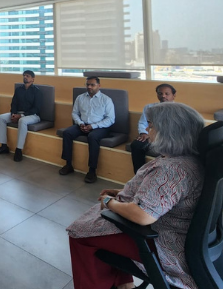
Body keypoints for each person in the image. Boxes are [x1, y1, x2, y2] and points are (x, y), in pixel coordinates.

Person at [66, 103, 205, 289]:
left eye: (151, 125)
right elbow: (161, 195)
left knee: (78, 233)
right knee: (93, 225)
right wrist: (122, 192)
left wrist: (109, 202)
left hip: (159, 242)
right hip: (170, 231)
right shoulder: (184, 160)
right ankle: (124, 284)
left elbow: (142, 215)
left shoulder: (171, 170)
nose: (147, 129)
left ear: (169, 131)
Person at [60, 76, 115, 183]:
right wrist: (80, 123)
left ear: (99, 86)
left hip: (100, 127)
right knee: (67, 133)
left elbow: (110, 119)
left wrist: (93, 126)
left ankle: (92, 170)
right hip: (82, 124)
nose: (89, 87)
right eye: (87, 84)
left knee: (92, 137)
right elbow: (75, 113)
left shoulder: (106, 100)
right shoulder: (80, 98)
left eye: (92, 85)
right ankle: (68, 164)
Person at [0, 70, 42, 162]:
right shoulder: (18, 90)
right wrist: (13, 114)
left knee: (22, 121)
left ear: (33, 79)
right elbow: (14, 103)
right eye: (24, 75)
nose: (25, 77)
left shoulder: (37, 91)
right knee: (0, 118)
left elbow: (37, 108)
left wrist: (21, 115)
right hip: (18, 113)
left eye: (27, 76)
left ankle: (19, 150)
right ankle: (4, 146)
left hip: (33, 115)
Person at [130, 83, 176, 173]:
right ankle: (140, 174)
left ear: (173, 95)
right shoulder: (149, 107)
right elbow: (143, 123)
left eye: (167, 94)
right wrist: (144, 133)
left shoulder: (179, 110)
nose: (163, 96)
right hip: (150, 136)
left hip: (169, 138)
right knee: (136, 145)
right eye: (160, 93)